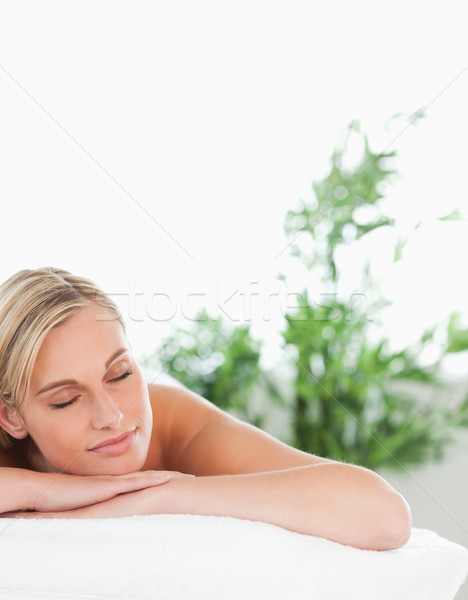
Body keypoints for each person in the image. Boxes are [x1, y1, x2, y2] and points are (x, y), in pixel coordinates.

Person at [0, 266, 411, 550]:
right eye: (66, 400)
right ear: (12, 417)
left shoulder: (177, 422)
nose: (112, 416)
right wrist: (45, 492)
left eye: (120, 374)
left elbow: (384, 514)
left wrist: (159, 496)